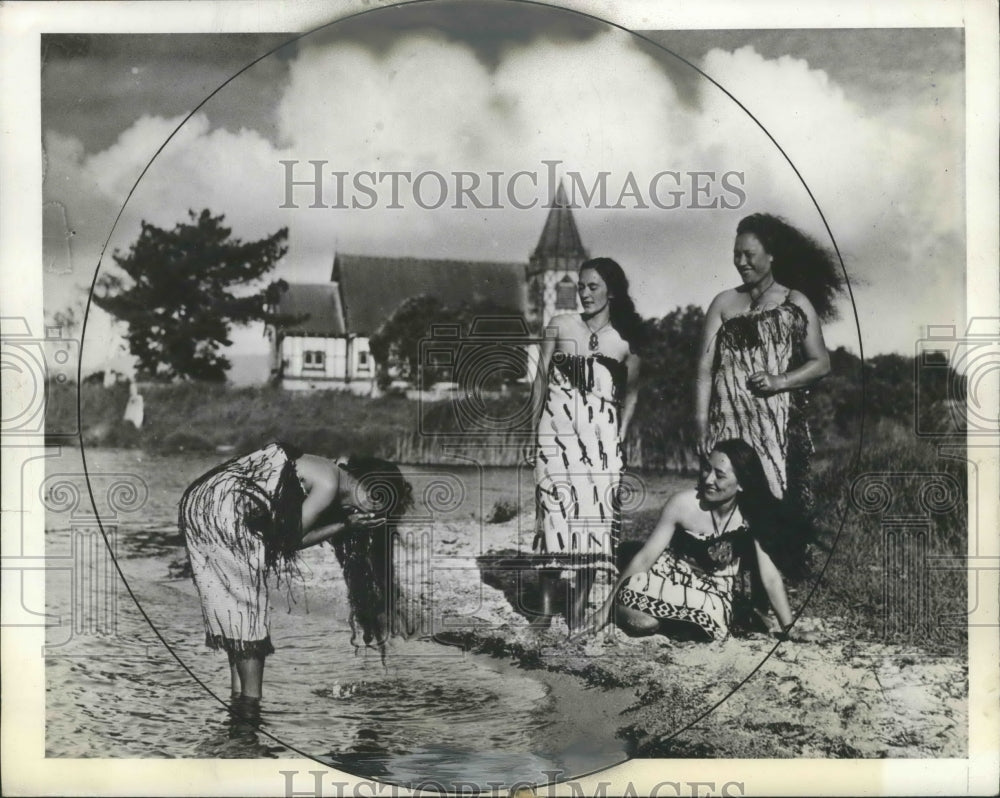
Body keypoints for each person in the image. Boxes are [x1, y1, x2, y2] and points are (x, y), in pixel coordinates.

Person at [178, 441, 413, 709]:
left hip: (200, 502)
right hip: (224, 509)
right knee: (248, 613)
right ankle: (251, 707)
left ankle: (239, 702)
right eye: (375, 511)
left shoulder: (327, 467)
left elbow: (280, 529)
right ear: (374, 496)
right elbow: (285, 541)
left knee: (234, 610)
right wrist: (344, 525)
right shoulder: (329, 484)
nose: (365, 515)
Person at [695, 213, 842, 514]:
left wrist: (780, 381)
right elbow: (703, 371)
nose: (741, 262)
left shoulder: (794, 302)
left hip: (772, 425)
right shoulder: (723, 303)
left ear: (772, 255)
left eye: (749, 254)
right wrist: (700, 424)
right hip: (726, 422)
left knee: (769, 503)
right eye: (736, 254)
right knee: (723, 500)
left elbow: (821, 363)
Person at [527, 257, 643, 631]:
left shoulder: (626, 341)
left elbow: (633, 393)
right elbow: (540, 381)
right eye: (581, 286)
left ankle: (577, 614)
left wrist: (622, 435)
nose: (585, 293)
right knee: (553, 514)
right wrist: (532, 433)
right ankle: (544, 612)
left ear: (611, 290)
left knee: (592, 525)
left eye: (593, 286)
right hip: (554, 432)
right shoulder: (559, 325)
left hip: (601, 444)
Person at [589, 439, 797, 642]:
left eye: (720, 475)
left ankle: (664, 623)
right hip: (669, 580)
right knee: (644, 619)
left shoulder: (752, 515)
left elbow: (770, 577)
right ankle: (626, 613)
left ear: (741, 483)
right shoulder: (682, 504)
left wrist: (789, 628)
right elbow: (645, 558)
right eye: (707, 469)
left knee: (709, 622)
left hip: (713, 594)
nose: (708, 480)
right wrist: (604, 609)